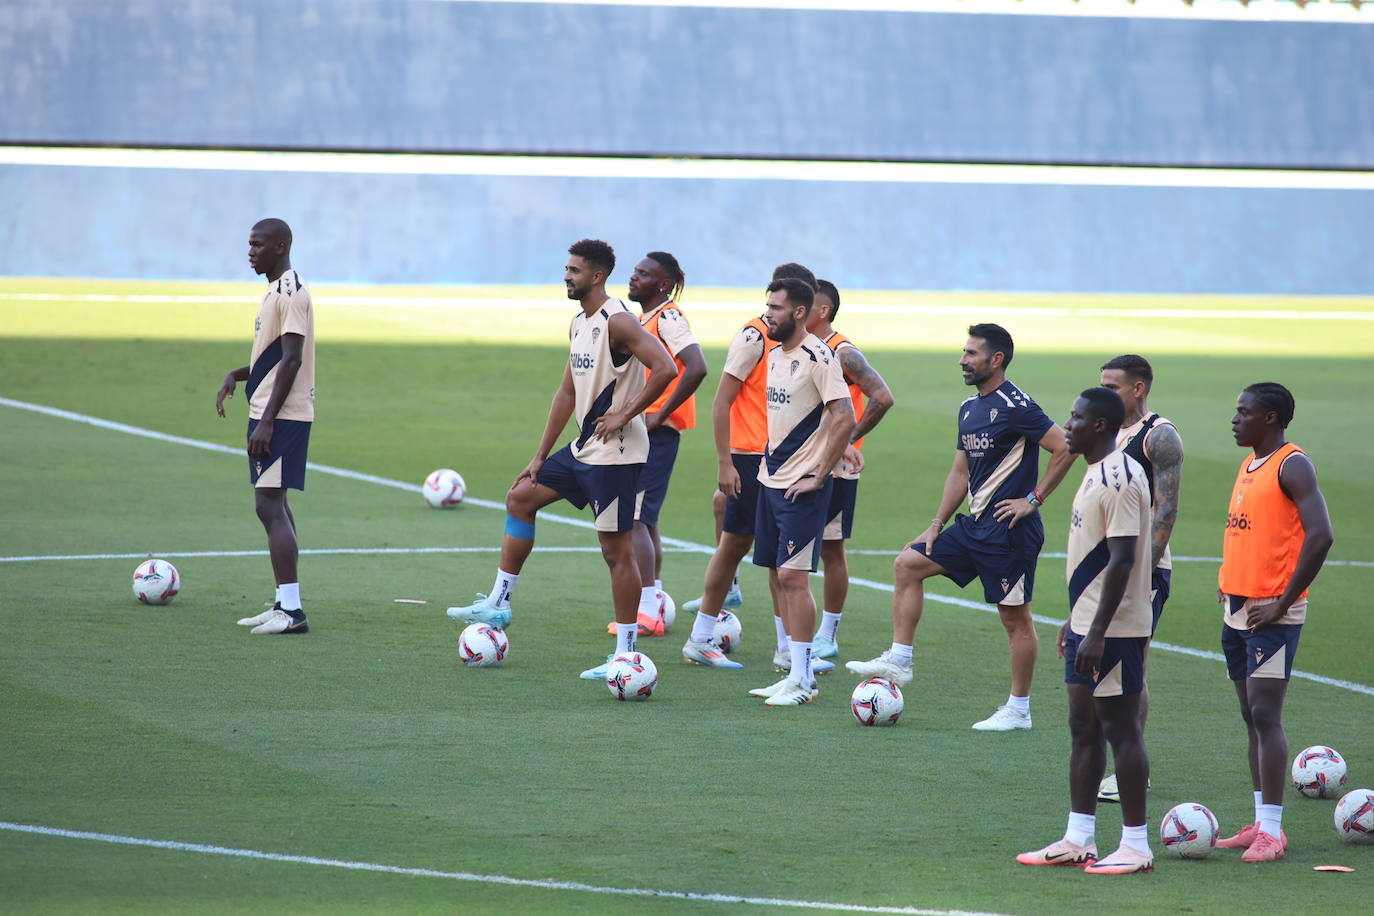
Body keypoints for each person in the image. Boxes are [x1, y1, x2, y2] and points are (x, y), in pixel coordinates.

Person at [447, 239, 678, 679]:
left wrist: (627, 414)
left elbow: (666, 367)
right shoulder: (579, 323)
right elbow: (567, 391)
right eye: (565, 269)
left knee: (616, 552)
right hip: (583, 449)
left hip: (616, 457)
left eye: (573, 270)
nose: (566, 276)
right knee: (521, 497)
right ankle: (498, 605)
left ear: (596, 276)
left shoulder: (620, 321)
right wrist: (538, 456)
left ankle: (626, 654)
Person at [847, 324, 1075, 730]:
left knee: (1015, 619)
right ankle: (900, 659)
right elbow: (959, 470)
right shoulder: (969, 409)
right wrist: (935, 524)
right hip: (974, 526)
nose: (962, 360)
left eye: (971, 353)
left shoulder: (1016, 404)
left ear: (996, 359)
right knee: (908, 564)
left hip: (1009, 532)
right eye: (964, 352)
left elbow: (1065, 447)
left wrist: (1033, 500)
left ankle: (1018, 710)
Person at [1018, 387, 1154, 875]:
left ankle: (1136, 846)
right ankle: (1079, 838)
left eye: (1075, 418)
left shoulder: (1118, 477)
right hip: (1090, 622)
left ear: (1099, 425)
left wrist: (1096, 631)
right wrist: (1076, 621)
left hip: (1114, 630)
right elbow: (1094, 560)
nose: (1067, 425)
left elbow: (1121, 560)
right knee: (1083, 728)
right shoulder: (1094, 471)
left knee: (1121, 730)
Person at [680, 263, 833, 673]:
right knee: (733, 548)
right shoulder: (754, 336)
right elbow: (721, 401)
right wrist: (725, 462)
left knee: (776, 561)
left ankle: (786, 648)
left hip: (775, 457)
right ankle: (700, 637)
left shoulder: (797, 345)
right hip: (751, 457)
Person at [1214, 383, 1333, 863]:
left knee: (1266, 715)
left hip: (1273, 614)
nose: (1235, 419)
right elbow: (1253, 533)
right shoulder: (1250, 463)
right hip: (1238, 608)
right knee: (1250, 716)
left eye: (1244, 412)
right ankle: (1261, 821)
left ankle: (1273, 832)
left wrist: (1282, 603)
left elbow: (1321, 535)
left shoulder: (1292, 463)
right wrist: (1229, 580)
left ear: (1270, 418)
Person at [742, 278, 855, 706]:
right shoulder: (775, 354)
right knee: (776, 573)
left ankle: (805, 679)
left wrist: (820, 473)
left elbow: (843, 415)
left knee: (793, 576)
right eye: (767, 305)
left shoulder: (818, 356)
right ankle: (793, 670)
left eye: (775, 307)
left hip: (801, 488)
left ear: (800, 313)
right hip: (771, 480)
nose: (767, 313)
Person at [216, 218, 315, 636]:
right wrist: (236, 375)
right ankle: (283, 602)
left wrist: (268, 422)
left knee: (268, 506)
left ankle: (291, 613)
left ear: (280, 246)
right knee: (276, 504)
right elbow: (272, 356)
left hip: (282, 416)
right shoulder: (274, 291)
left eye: (257, 245)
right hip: (268, 411)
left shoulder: (292, 293)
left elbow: (292, 359)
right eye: (248, 244)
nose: (250, 251)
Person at [1095, 355, 1184, 803]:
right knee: (1100, 664)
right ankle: (1111, 760)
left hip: (1140, 571)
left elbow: (1166, 509)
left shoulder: (1159, 436)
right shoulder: (1107, 433)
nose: (1105, 394)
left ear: (1138, 389)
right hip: (1106, 568)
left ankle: (1133, 769)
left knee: (1131, 666)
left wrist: (1141, 573)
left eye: (1113, 387)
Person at [605, 252, 708, 637]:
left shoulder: (668, 317)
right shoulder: (645, 319)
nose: (633, 278)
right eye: (634, 271)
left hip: (656, 433)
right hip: (644, 430)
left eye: (643, 274)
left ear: (662, 284)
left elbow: (696, 366)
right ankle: (656, 600)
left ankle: (647, 609)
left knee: (633, 519)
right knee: (646, 519)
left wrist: (660, 414)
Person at [804, 279, 894, 660]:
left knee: (830, 548)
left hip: (836, 467)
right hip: (801, 461)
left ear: (822, 310)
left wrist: (848, 441)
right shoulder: (800, 348)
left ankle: (827, 633)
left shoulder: (842, 351)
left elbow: (882, 396)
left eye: (803, 305)